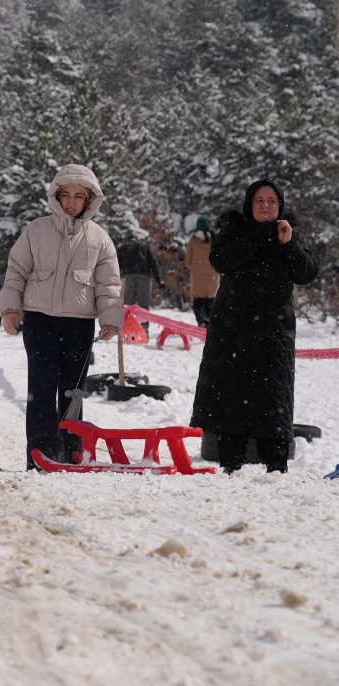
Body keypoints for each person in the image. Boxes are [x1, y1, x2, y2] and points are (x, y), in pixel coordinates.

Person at [0, 164, 122, 470]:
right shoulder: (36, 230)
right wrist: (10, 309)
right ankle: (40, 456)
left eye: (79, 196)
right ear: (56, 196)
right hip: (39, 320)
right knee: (41, 387)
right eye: (65, 194)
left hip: (79, 324)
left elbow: (108, 285)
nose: (71, 202)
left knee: (73, 392)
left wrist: (110, 319)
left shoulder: (99, 238)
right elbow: (16, 271)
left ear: (89, 200)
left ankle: (71, 454)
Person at [191, 179, 318, 474]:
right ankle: (230, 465)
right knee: (230, 396)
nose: (265, 206)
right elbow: (220, 260)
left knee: (273, 397)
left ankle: (276, 466)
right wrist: (257, 237)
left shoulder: (288, 232)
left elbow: (306, 272)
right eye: (259, 200)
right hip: (232, 330)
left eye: (271, 201)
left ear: (280, 206)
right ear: (249, 204)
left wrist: (289, 244)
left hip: (274, 332)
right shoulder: (233, 229)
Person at [116, 236, 163, 334]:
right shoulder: (145, 247)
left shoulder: (123, 248)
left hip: (128, 277)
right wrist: (159, 280)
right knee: (143, 305)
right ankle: (144, 329)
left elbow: (115, 264)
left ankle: (128, 329)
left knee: (128, 305)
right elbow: (153, 263)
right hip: (144, 276)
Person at [184, 215, 219, 327]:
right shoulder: (216, 240)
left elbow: (187, 261)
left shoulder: (193, 240)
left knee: (198, 303)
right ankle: (210, 323)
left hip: (198, 278)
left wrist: (196, 267)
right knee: (211, 303)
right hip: (213, 278)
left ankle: (202, 320)